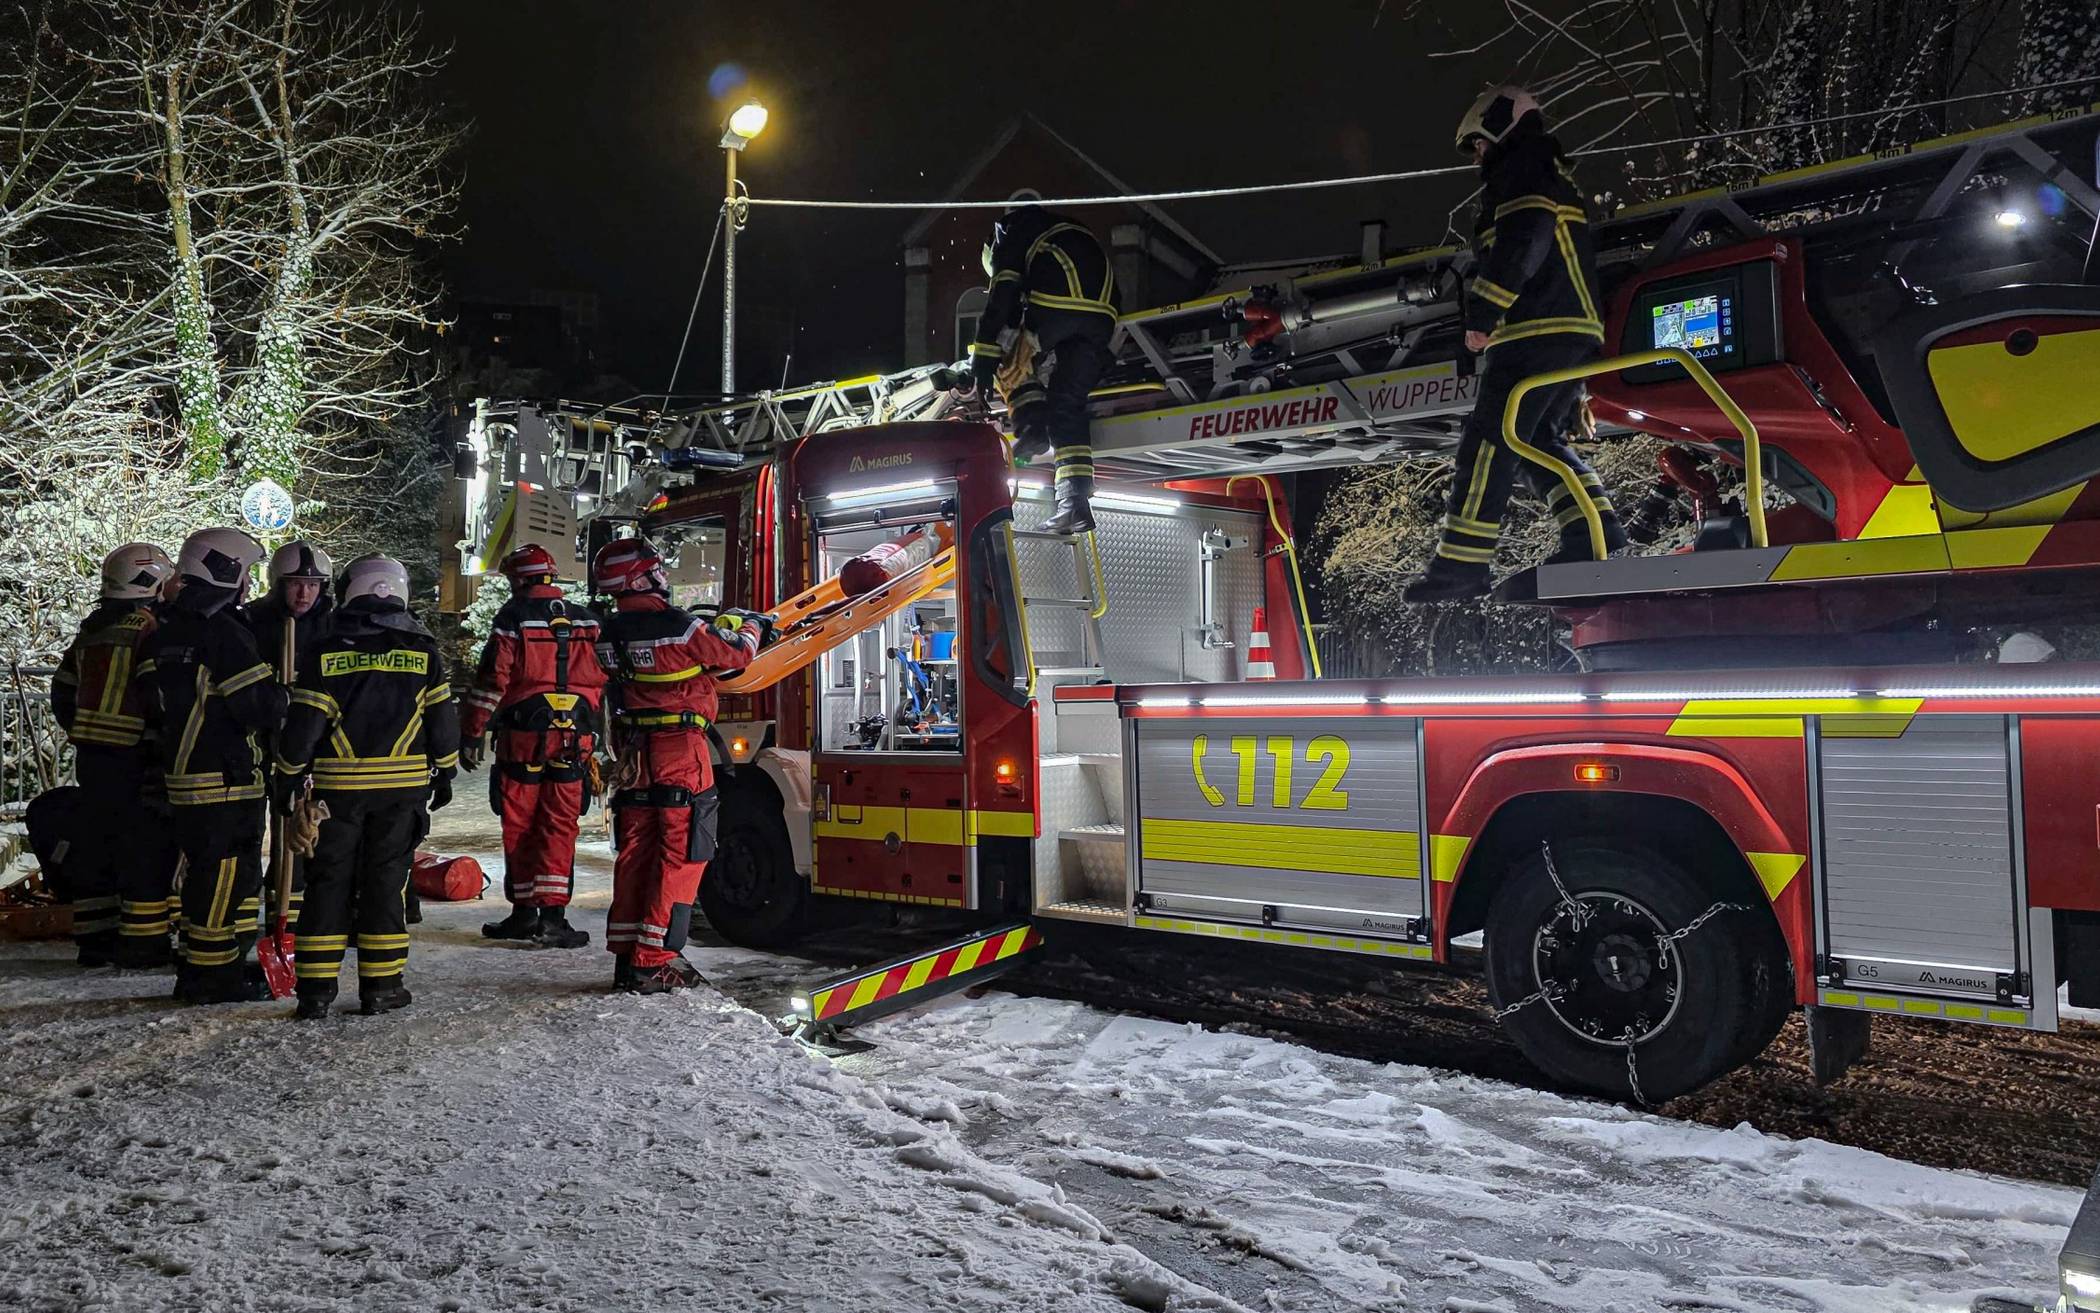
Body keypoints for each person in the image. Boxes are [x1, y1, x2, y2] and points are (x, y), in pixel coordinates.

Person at [1402, 86, 1626, 603]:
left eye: (1479, 143)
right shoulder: (1549, 171)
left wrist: (1483, 313)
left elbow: (1526, 238)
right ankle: (1593, 533)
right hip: (1571, 332)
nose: (1477, 155)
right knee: (1537, 443)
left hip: (1536, 331)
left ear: (1501, 126)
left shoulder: (1522, 171)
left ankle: (1461, 564)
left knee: (1487, 442)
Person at [273, 554, 458, 1019]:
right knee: (386, 885)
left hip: (337, 796)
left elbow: (303, 728)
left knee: (327, 885)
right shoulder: (422, 653)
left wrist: (288, 775)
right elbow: (442, 724)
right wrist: (448, 769)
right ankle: (382, 987)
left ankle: (315, 991)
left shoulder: (326, 653)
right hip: (402, 795)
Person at [591, 538, 761, 993]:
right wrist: (750, 626)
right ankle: (654, 961)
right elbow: (737, 654)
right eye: (656, 569)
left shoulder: (608, 633)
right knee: (682, 855)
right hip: (680, 753)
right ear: (643, 576)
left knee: (636, 856)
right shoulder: (679, 627)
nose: (662, 575)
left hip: (635, 756)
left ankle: (628, 957)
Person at [137, 528, 288, 1004]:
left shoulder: (169, 627)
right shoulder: (221, 631)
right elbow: (257, 706)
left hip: (187, 775)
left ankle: (217, 963)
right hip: (224, 777)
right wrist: (286, 694)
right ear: (230, 571)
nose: (250, 584)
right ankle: (209, 976)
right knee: (223, 878)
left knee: (210, 874)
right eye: (247, 572)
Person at [459, 543, 609, 949]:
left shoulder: (513, 618)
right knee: (560, 826)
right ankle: (553, 919)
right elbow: (607, 679)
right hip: (573, 741)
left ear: (519, 580)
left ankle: (525, 914)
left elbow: (493, 681)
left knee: (520, 826)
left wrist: (471, 733)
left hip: (523, 739)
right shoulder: (587, 621)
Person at [49, 543, 180, 968]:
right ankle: (145, 944)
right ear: (152, 582)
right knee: (145, 846)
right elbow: (157, 694)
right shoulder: (150, 627)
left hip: (94, 756)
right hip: (137, 756)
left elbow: (62, 691)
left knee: (98, 842)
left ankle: (96, 940)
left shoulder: (92, 629)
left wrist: (83, 731)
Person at [968, 204, 1117, 535]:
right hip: (1103, 315)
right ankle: (1074, 504)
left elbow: (1003, 296)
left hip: (1059, 300)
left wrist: (984, 355)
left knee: (1009, 353)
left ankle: (1031, 426)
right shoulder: (1058, 229)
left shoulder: (1010, 235)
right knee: (1067, 401)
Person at [242, 539, 334, 928]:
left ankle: (293, 913)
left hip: (310, 740)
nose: (304, 593)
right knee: (254, 825)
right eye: (295, 583)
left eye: (312, 585)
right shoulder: (250, 622)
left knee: (307, 825)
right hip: (257, 739)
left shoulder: (334, 626)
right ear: (277, 584)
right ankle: (252, 910)